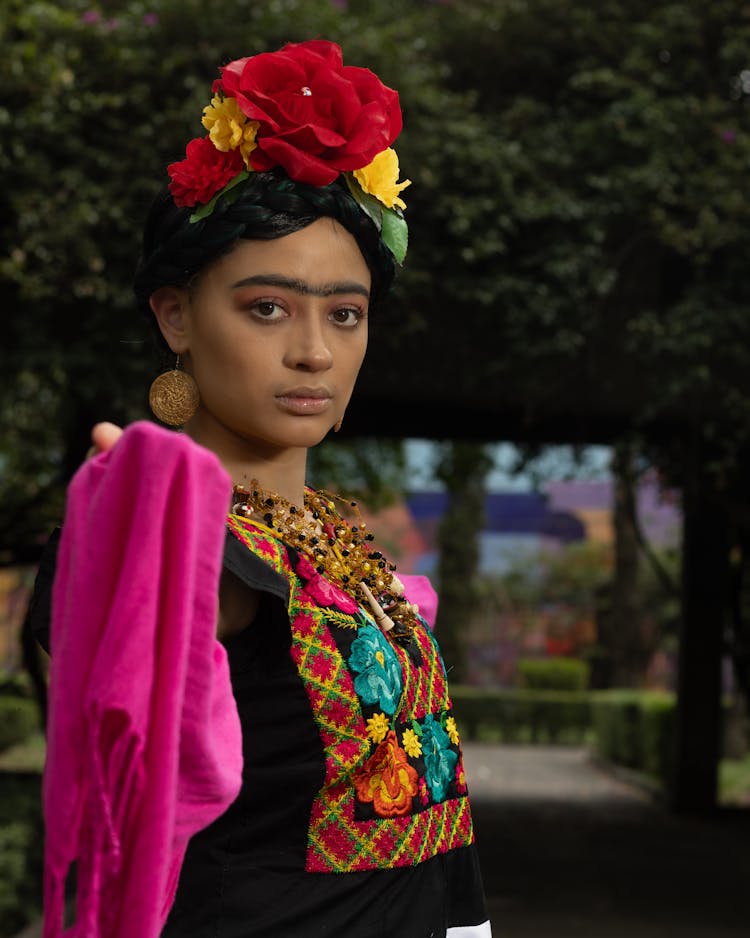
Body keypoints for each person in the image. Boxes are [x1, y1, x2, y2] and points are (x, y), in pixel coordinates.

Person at [31, 38, 492, 938]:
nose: (315, 351)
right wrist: (132, 529)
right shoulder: (180, 539)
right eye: (267, 308)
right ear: (176, 315)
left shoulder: (332, 534)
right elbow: (113, 720)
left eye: (345, 314)